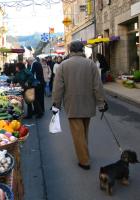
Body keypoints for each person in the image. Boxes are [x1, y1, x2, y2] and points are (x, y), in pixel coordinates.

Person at [52, 41, 108, 170]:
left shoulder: (63, 65)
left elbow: (58, 88)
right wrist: (101, 103)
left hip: (72, 105)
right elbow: (97, 86)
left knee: (78, 134)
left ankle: (84, 161)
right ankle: (85, 154)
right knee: (84, 132)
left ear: (70, 50)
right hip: (88, 103)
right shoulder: (91, 64)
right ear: (82, 50)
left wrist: (56, 105)